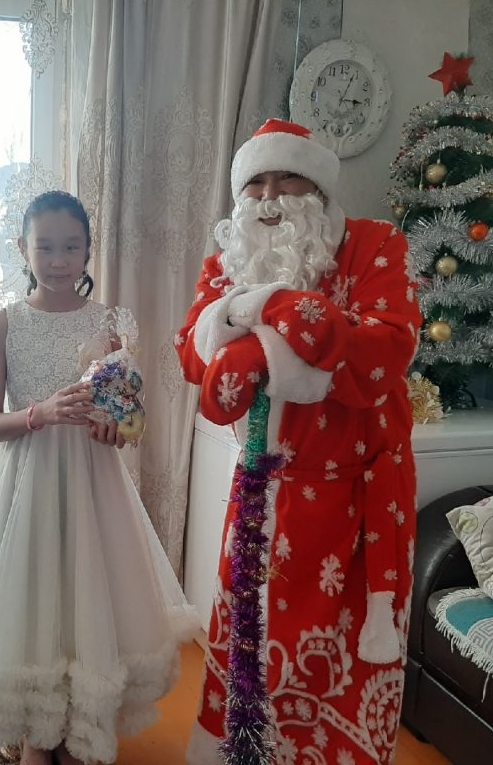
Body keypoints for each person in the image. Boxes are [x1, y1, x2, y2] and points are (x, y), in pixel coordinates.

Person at [175, 120, 422, 765]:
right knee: (250, 653)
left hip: (355, 504)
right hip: (263, 492)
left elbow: (385, 349)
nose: (269, 197)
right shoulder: (225, 261)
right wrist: (257, 332)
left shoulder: (374, 244)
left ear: (318, 189)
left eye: (287, 180)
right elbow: (196, 359)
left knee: (342, 664)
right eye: (255, 183)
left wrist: (267, 321)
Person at [0, 191, 199, 765]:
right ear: (23, 249)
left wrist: (115, 430)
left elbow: (127, 418)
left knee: (87, 595)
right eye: (44, 247)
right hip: (26, 484)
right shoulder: (3, 325)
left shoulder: (109, 324)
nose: (57, 260)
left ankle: (79, 722)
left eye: (70, 247)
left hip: (94, 485)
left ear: (88, 251)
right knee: (34, 598)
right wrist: (39, 413)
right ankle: (36, 730)